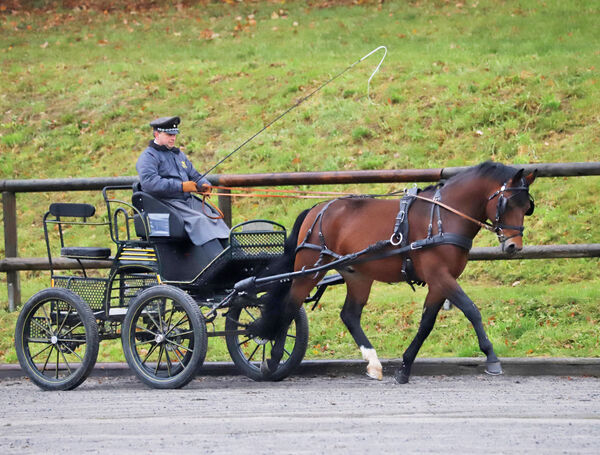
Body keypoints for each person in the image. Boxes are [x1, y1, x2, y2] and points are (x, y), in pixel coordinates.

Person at [136, 116, 230, 246]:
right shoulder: (148, 157)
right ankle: (214, 258)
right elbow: (150, 183)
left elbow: (194, 174)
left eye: (174, 134)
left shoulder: (178, 155)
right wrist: (181, 186)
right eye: (169, 134)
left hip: (186, 201)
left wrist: (204, 184)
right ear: (156, 134)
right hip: (166, 203)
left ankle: (229, 251)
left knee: (214, 217)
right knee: (200, 220)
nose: (173, 138)